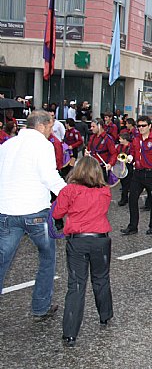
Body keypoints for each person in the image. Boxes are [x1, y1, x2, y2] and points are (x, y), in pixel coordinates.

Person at [0, 110, 67, 318]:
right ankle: (40, 307)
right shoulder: (43, 145)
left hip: (7, 211)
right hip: (35, 212)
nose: (50, 131)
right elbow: (50, 177)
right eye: (50, 127)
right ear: (41, 126)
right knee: (47, 258)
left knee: (2, 259)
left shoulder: (8, 144)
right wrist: (71, 197)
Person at [52, 156, 113, 347]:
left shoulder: (69, 190)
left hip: (77, 241)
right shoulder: (104, 191)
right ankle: (105, 315)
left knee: (76, 285)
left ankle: (70, 333)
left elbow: (57, 214)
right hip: (100, 239)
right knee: (101, 278)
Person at [120, 116, 152, 235]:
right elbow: (133, 152)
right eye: (139, 126)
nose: (140, 128)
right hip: (138, 173)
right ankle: (132, 226)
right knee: (132, 199)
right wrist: (131, 157)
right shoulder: (136, 140)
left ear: (149, 126)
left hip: (151, 173)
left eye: (143, 126)